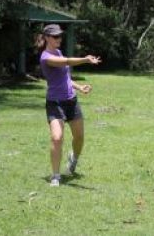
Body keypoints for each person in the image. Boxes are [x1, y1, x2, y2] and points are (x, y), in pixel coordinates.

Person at [37, 24, 101, 186]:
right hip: (55, 103)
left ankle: (74, 158)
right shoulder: (46, 57)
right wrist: (86, 59)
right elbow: (66, 62)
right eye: (55, 36)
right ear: (46, 38)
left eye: (60, 36)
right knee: (57, 137)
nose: (59, 39)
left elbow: (64, 78)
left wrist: (79, 87)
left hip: (71, 101)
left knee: (79, 137)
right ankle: (56, 176)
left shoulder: (57, 51)